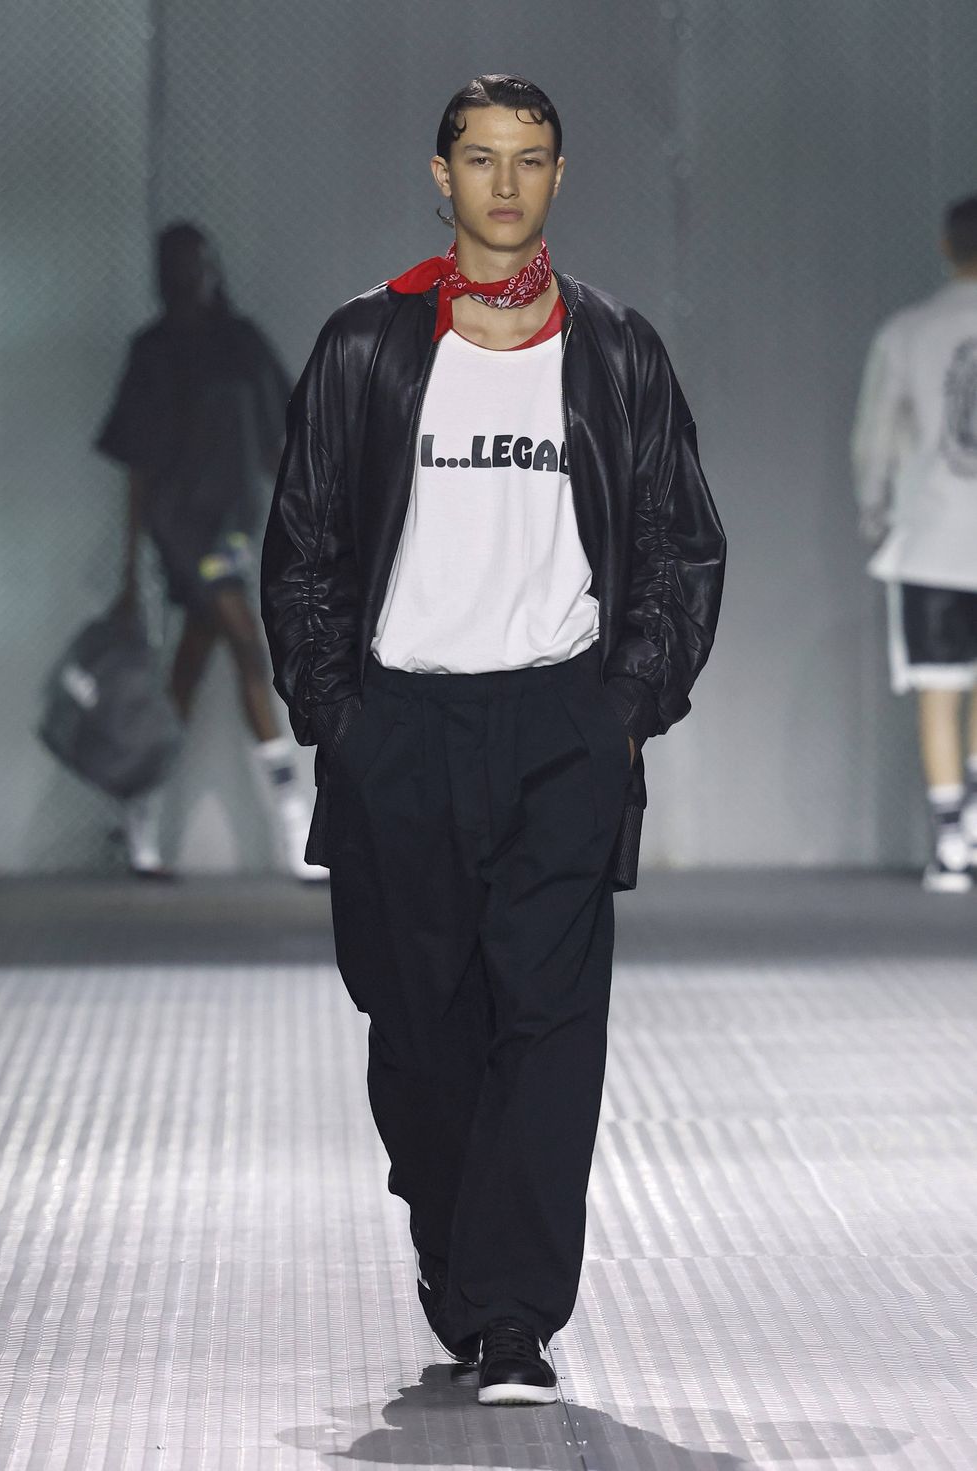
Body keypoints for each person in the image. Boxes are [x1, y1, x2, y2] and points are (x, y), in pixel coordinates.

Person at [261, 75, 725, 1403]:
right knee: (419, 1030)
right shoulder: (366, 345)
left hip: (558, 724)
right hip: (401, 724)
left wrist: (623, 709)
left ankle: (513, 1313)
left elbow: (680, 543)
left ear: (559, 177)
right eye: (481, 158)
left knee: (549, 1022)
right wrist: (339, 719)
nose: (506, 183)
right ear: (441, 175)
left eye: (530, 159)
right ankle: (454, 1237)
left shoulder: (616, 351)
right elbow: (304, 542)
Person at [95, 221, 321, 880]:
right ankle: (294, 823)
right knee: (248, 646)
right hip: (179, 527)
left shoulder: (240, 342)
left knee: (189, 669)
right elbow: (136, 466)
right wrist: (130, 568)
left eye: (196, 263)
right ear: (163, 274)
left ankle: (139, 809)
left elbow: (278, 436)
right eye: (176, 265)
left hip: (232, 523)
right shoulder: (152, 351)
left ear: (211, 267)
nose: (189, 275)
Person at [852, 194, 977, 894]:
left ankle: (952, 847)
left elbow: (875, 438)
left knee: (939, 691)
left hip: (932, 538)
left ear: (946, 246)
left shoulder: (909, 332)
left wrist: (875, 513)